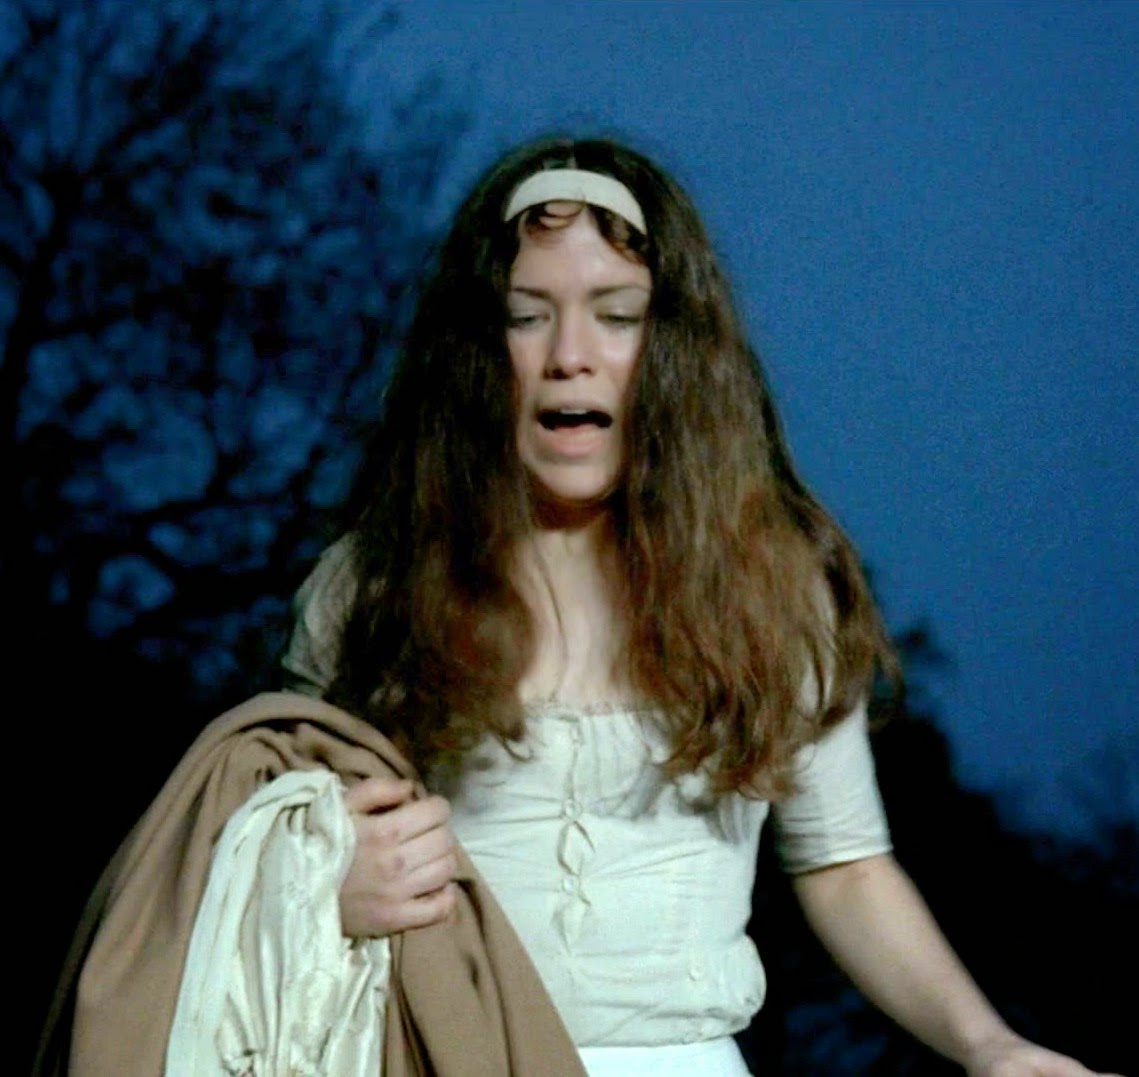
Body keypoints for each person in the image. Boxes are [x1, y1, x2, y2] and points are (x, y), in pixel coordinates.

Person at [279, 136, 1114, 1076]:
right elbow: (276, 848)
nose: (569, 356)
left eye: (618, 315)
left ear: (675, 349)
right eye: (524, 315)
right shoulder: (372, 585)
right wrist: (323, 887)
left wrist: (988, 1046)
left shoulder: (773, 588)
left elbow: (844, 866)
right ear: (473, 352)